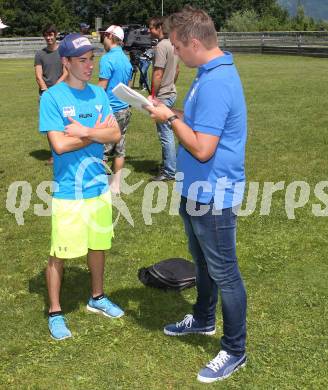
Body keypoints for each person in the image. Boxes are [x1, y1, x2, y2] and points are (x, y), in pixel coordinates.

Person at [146, 7, 247, 383]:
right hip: (196, 189)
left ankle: (236, 349)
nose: (175, 53)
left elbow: (203, 148)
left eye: (176, 47)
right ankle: (204, 319)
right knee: (202, 263)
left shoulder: (219, 80)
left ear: (192, 43)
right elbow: (198, 122)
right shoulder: (208, 74)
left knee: (225, 272)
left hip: (215, 194)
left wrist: (169, 119)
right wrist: (167, 109)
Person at [39, 33, 124, 341]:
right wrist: (96, 133)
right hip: (68, 191)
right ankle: (55, 311)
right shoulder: (52, 98)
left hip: (98, 188)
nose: (90, 66)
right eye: (82, 61)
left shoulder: (99, 95)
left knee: (98, 245)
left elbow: (114, 134)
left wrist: (86, 131)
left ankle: (97, 297)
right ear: (66, 62)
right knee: (59, 252)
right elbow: (60, 145)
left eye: (92, 60)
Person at [98, 25, 133, 194]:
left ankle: (98, 185)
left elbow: (101, 87)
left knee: (101, 149)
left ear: (110, 36)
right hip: (125, 109)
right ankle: (116, 186)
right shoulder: (126, 59)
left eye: (104, 35)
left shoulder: (107, 59)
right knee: (120, 149)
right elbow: (128, 87)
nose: (102, 39)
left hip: (110, 111)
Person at [148, 16, 179, 181]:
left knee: (165, 133)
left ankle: (169, 172)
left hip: (163, 97)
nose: (148, 30)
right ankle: (167, 165)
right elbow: (178, 70)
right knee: (167, 132)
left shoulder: (161, 46)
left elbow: (158, 73)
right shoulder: (173, 44)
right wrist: (170, 85)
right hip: (172, 93)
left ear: (159, 27)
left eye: (151, 27)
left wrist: (154, 95)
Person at [34, 24, 68, 164]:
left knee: (65, 123)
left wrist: (54, 89)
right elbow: (38, 76)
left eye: (51, 34)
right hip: (46, 94)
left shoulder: (63, 52)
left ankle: (66, 151)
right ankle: (54, 154)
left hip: (62, 93)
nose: (49, 37)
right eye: (46, 35)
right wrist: (46, 92)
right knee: (50, 125)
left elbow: (66, 72)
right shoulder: (40, 54)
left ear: (56, 35)